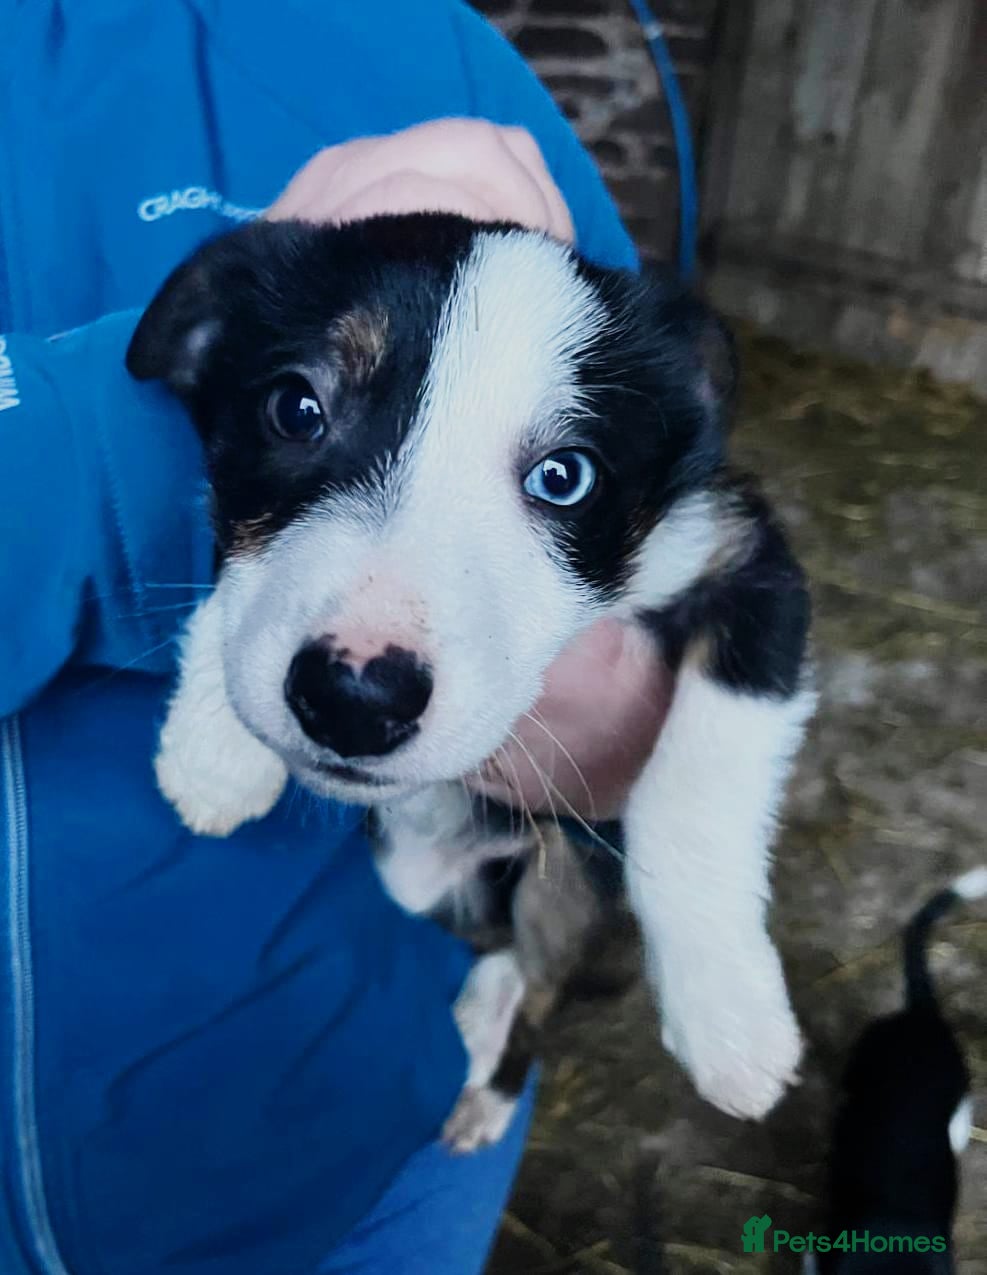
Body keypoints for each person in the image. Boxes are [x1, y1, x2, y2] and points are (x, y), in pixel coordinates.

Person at [0, 3, 667, 1272]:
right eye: (301, 404)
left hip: (355, 1155)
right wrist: (135, 431)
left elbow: (645, 609)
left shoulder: (436, 55)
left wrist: (624, 691)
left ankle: (499, 1013)